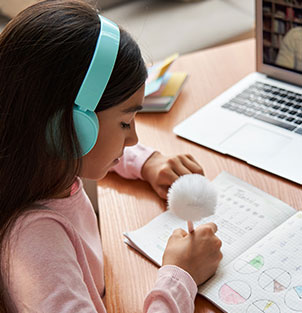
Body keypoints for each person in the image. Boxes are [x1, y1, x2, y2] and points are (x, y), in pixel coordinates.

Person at [0, 1, 223, 312]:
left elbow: (98, 147)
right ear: (74, 127)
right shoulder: (37, 244)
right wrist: (181, 275)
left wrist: (147, 162)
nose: (133, 139)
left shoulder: (44, 166)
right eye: (124, 123)